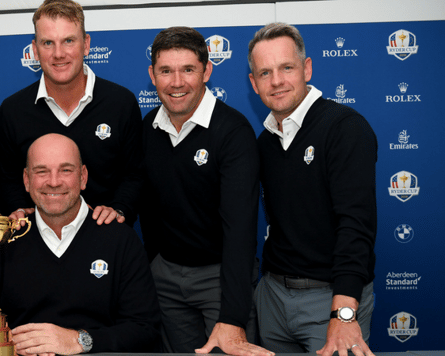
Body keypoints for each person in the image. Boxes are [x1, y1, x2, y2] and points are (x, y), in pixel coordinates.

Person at [0, 133, 161, 355]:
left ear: (83, 177)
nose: (53, 182)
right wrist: (3, 342)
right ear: (26, 180)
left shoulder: (121, 240)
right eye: (41, 171)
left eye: (66, 170)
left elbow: (145, 330)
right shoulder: (1, 241)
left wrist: (79, 340)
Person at [138, 26, 271, 356]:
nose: (177, 82)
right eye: (166, 71)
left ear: (207, 71)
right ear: (152, 75)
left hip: (220, 279)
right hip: (165, 279)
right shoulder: (148, 128)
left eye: (188, 70)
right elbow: (148, 208)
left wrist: (232, 316)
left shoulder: (233, 132)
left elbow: (240, 230)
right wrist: (156, 267)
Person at [247, 23, 377, 356]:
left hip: (330, 299)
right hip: (273, 298)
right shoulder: (264, 142)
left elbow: (356, 224)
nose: (276, 81)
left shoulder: (345, 127)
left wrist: (344, 312)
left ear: (306, 68)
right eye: (265, 72)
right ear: (254, 83)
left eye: (286, 68)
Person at [0, 0, 142, 225]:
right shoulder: (12, 110)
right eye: (48, 43)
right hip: (35, 244)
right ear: (35, 50)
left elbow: (134, 174)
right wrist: (17, 209)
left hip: (105, 238)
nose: (58, 54)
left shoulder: (121, 102)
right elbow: (8, 178)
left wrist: (119, 209)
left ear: (86, 44)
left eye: (68, 41)